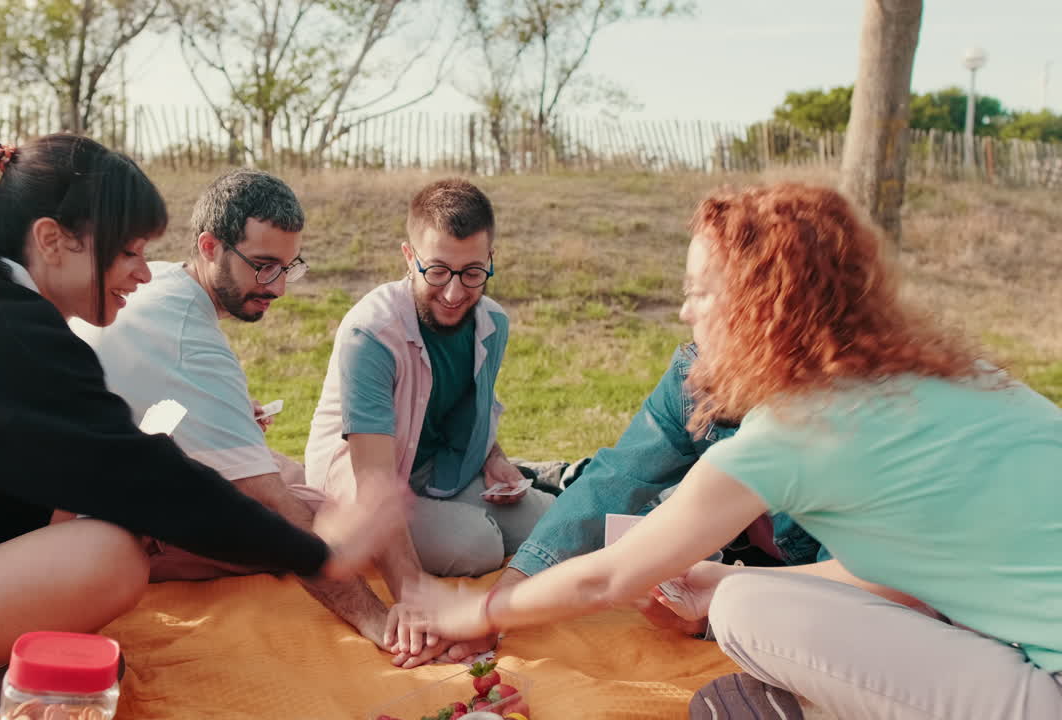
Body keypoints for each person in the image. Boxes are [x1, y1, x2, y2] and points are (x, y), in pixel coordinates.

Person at [0, 136, 398, 720]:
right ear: (53, 240)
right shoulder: (5, 329)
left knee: (83, 517)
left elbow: (101, 469)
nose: (142, 272)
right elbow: (154, 481)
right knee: (107, 555)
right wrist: (320, 554)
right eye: (128, 252)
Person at [407, 183, 1062, 720]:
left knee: (747, 612)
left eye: (700, 291)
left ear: (760, 306)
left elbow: (610, 576)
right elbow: (899, 576)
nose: (685, 312)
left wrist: (478, 607)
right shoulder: (954, 372)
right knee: (735, 593)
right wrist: (716, 575)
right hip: (1010, 645)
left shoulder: (803, 425)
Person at [74, 168, 404, 660]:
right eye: (264, 266)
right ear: (210, 246)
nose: (279, 288)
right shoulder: (192, 342)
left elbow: (138, 391)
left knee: (301, 482)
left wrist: (207, 413)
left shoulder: (161, 279)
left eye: (289, 267)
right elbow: (272, 508)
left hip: (105, 469)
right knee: (325, 517)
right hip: (97, 523)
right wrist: (372, 617)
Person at [443, 341, 832, 661]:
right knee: (631, 511)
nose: (685, 310)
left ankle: (562, 474)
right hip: (731, 543)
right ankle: (565, 475)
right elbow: (615, 481)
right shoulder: (698, 371)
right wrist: (501, 602)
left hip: (796, 583)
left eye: (703, 293)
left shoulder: (835, 426)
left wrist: (716, 616)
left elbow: (849, 598)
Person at [305, 178, 554, 665]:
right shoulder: (369, 334)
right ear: (408, 256)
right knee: (481, 543)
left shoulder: (493, 323)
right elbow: (374, 481)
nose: (455, 292)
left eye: (473, 272)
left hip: (444, 473)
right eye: (437, 271)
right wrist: (413, 599)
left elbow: (468, 406)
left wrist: (496, 458)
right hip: (363, 486)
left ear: (490, 259)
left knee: (548, 527)